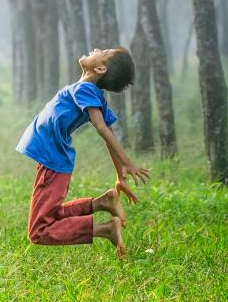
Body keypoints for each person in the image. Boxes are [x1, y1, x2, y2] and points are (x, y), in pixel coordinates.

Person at [16, 47, 149, 259]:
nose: (96, 48)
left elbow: (103, 128)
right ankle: (101, 203)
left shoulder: (86, 89)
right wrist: (119, 175)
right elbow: (108, 130)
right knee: (50, 215)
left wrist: (127, 163)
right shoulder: (90, 91)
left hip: (53, 161)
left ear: (100, 68)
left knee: (38, 231)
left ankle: (105, 229)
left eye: (103, 51)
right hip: (52, 159)